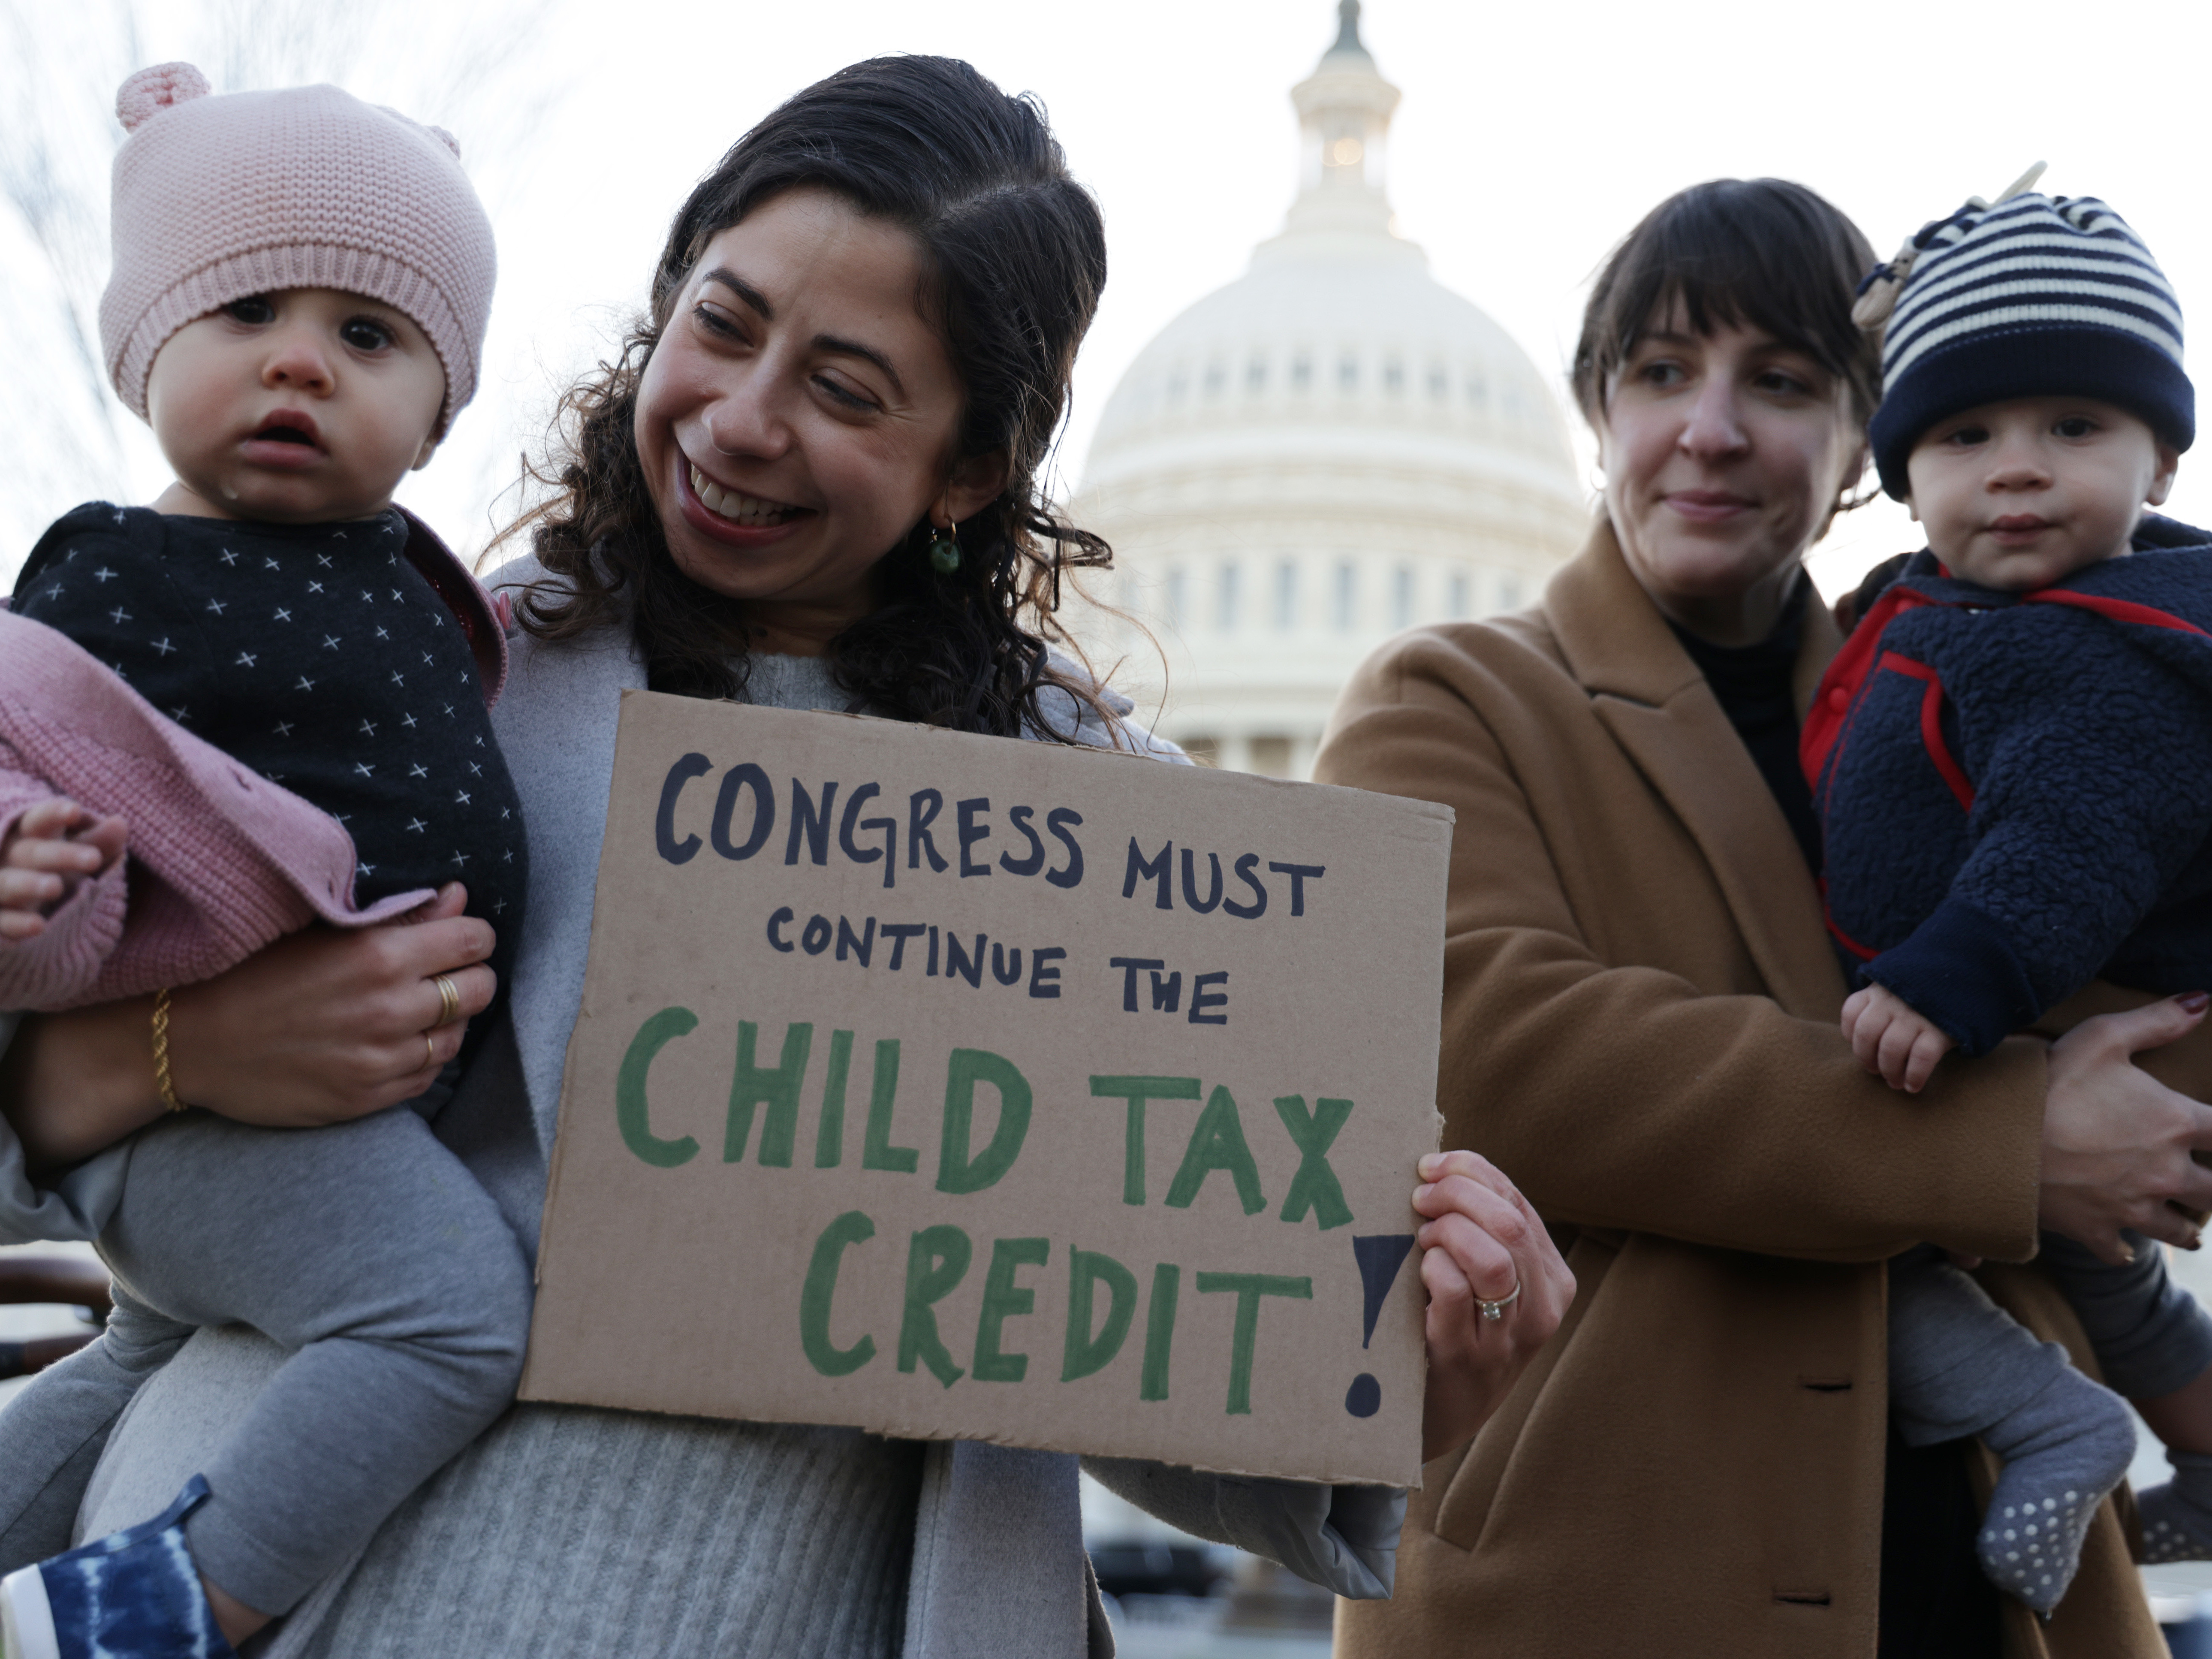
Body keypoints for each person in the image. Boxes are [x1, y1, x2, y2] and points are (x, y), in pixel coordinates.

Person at [0, 57, 1572, 1659]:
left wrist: (1407, 1355)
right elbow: (105, 1155)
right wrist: (153, 1057)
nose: (742, 422)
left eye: (847, 386)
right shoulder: (434, 663)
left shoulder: (1123, 859)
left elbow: (1124, 1353)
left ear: (974, 465)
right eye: (723, 324)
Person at [1315, 175, 2212, 1659]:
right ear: (1597, 411)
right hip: (1602, 1583)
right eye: (1662, 373)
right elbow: (1496, 1049)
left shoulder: (1983, 683)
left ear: (1867, 439)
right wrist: (2006, 1141)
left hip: (1981, 1582)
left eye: (1783, 383)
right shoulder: (1453, 697)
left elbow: (2152, 1023)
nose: (1713, 429)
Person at [0, 63, 532, 1659]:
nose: (302, 358)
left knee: (138, 1353)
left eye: (370, 337)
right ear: (142, 349)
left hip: (289, 1137)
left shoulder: (429, 586)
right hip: (206, 1105)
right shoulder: (123, 572)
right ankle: (157, 1607)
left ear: (439, 411)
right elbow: (34, 741)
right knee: (451, 1319)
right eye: (245, 313)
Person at [1805, 184, 2212, 1612]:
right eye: (1967, 436)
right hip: (2023, 1035)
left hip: (1992, 1011)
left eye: (2074, 429)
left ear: (2162, 459)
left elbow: (2072, 833)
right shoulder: (1949, 615)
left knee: (1861, 1225)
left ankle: (2055, 1417)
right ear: (1905, 473)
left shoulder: (2092, 648)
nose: (2018, 468)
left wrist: (1955, 976)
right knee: (2114, 1281)